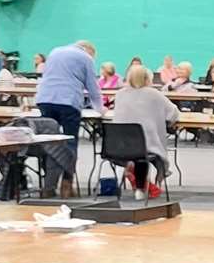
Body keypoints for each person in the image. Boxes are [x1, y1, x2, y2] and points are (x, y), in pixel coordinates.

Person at [33, 39, 104, 198]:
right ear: (89, 51)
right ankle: (67, 183)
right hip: (68, 102)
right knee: (70, 143)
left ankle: (48, 186)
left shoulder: (54, 51)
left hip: (45, 99)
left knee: (48, 143)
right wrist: (100, 109)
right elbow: (92, 86)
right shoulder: (86, 58)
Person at [108, 63, 177, 199]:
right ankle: (140, 188)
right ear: (147, 78)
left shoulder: (120, 94)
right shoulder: (154, 94)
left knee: (137, 151)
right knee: (142, 152)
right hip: (144, 146)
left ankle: (132, 170)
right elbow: (173, 113)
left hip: (118, 147)